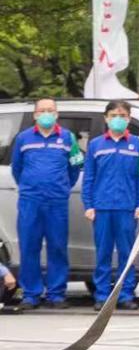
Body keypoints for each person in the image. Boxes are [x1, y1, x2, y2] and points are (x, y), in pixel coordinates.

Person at [9, 99, 81, 310]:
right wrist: (30, 186)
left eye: (50, 110)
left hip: (57, 201)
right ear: (35, 115)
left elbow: (75, 168)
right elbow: (17, 169)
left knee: (57, 246)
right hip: (30, 201)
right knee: (29, 246)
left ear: (57, 114)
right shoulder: (23, 138)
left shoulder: (68, 137)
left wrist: (62, 187)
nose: (46, 114)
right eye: (42, 110)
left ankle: (56, 294)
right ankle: (30, 294)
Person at [83, 100, 139, 310]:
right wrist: (88, 205)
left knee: (126, 254)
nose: (118, 119)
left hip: (127, 208)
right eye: (113, 115)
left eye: (122, 116)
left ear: (128, 119)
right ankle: (102, 296)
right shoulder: (95, 145)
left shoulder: (138, 145)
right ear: (106, 118)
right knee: (102, 254)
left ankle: (125, 295)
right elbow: (89, 178)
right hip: (101, 208)